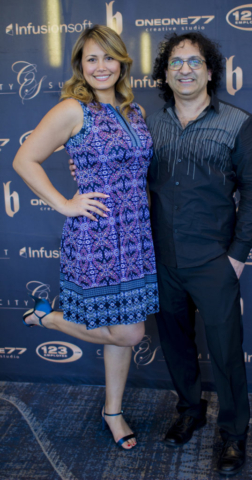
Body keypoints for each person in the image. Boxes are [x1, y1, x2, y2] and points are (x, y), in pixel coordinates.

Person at [13, 25, 159, 451]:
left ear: (122, 63)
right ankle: (49, 318)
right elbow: (25, 159)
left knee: (122, 327)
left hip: (135, 237)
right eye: (91, 59)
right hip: (95, 235)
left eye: (109, 58)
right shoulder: (73, 110)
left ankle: (112, 411)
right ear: (80, 64)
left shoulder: (136, 112)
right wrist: (64, 203)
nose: (101, 67)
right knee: (130, 333)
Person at [146, 33, 252, 476]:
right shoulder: (149, 125)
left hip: (215, 261)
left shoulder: (238, 123)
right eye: (176, 63)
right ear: (166, 73)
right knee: (176, 345)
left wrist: (236, 256)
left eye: (195, 62)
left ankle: (234, 435)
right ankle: (189, 411)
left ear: (210, 70)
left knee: (226, 352)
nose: (185, 70)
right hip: (162, 259)